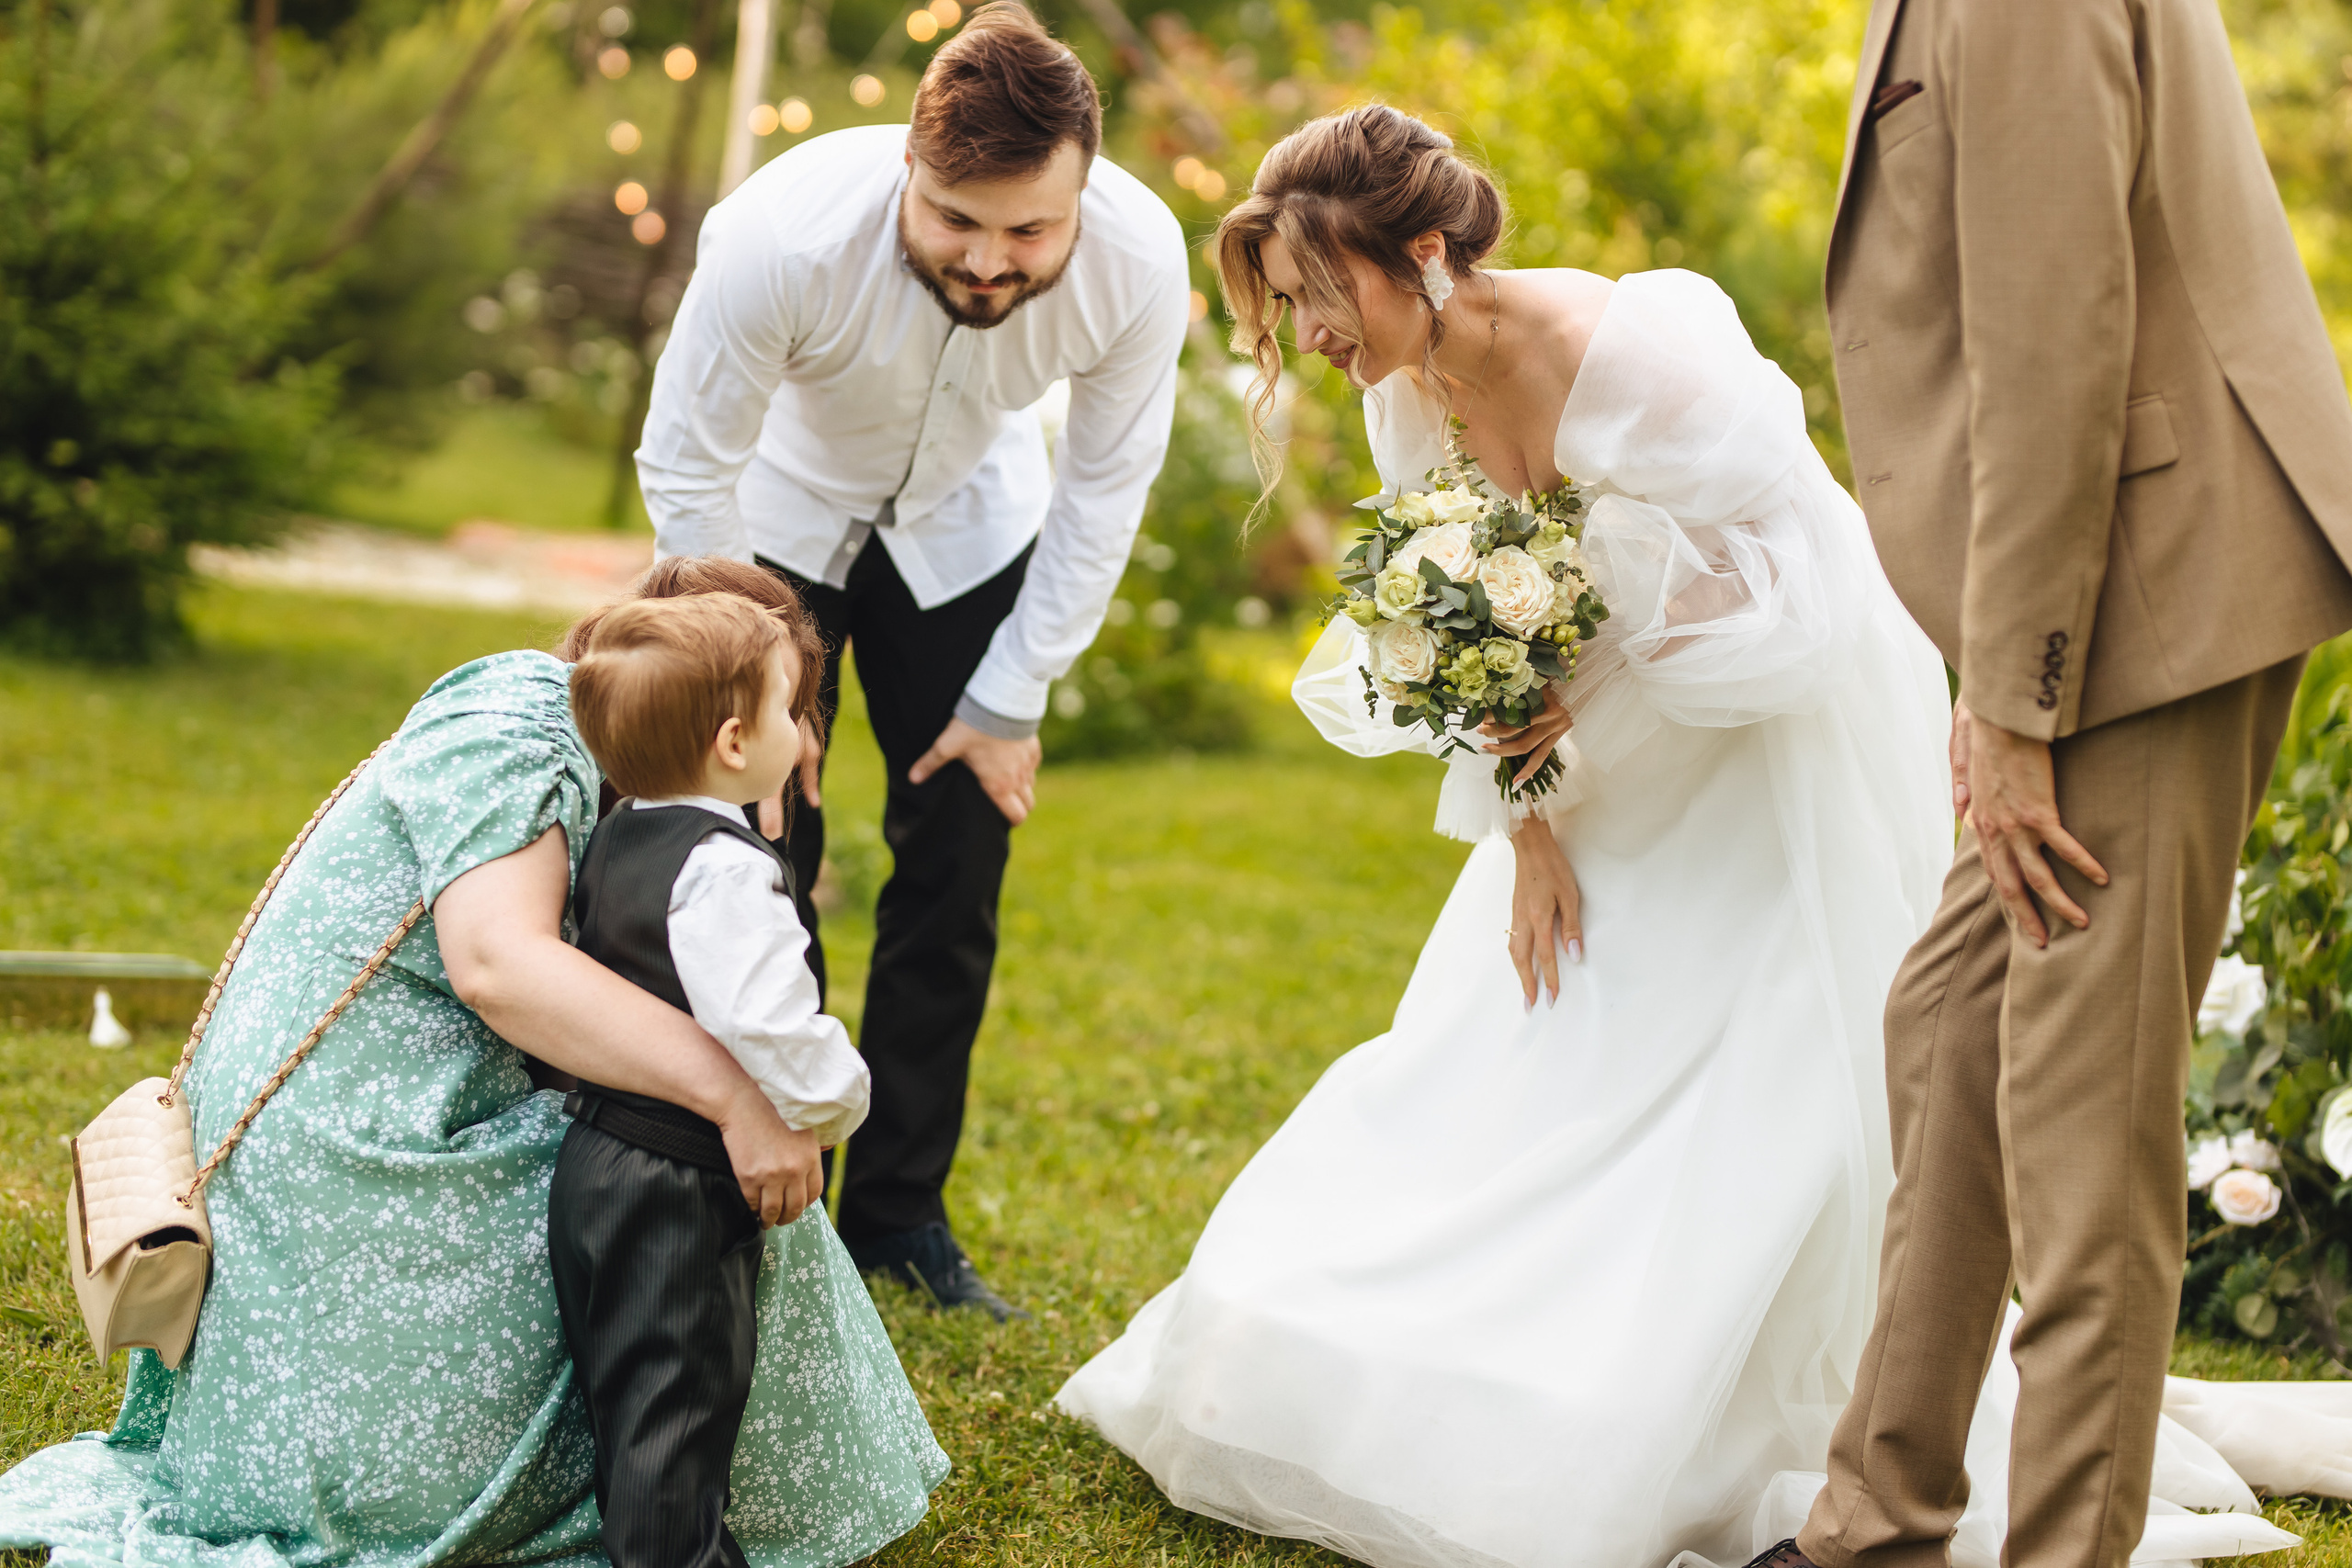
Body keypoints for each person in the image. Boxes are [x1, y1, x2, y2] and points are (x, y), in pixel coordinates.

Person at [1053, 105, 2312, 1568]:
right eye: (1291, 311)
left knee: (1759, 1058)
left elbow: (1803, 596)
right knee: (1530, 1024)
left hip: (1768, 737)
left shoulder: (1638, 350)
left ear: (1424, 250)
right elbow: (1468, 636)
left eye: (1324, 297)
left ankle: (1746, 1388)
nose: (1315, 338)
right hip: (1602, 763)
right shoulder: (1413, 397)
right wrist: (1531, 824)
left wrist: (1589, 595)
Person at [0, 558, 946, 1568]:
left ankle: (677, 1500)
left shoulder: (629, 786)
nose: (801, 744)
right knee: (697, 1160)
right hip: (358, 1137)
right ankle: (671, 1520)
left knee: (677, 1147)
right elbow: (501, 968)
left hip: (398, 1104)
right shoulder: (520, 725)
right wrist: (738, 1100)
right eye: (788, 710)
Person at [1777, 4, 2352, 1568]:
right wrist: (1997, 669)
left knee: (2078, 1121)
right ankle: (1875, 1526)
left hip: (2140, 598)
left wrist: (2018, 689)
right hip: (2094, 593)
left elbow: (2056, 332)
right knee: (1953, 1025)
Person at [636, 0, 1191, 1318]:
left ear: (1083, 192)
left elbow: (1108, 486)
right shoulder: (781, 234)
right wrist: (746, 678)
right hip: (778, 536)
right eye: (956, 219)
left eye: (1028, 230)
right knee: (765, 848)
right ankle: (758, 1195)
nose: (991, 259)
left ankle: (896, 1216)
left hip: (968, 527)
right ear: (908, 167)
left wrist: (1011, 695)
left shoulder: (1138, 260)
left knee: (958, 855)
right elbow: (688, 464)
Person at [555, 591, 876, 1568]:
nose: (800, 729)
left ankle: (673, 1541)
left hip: (597, 1156)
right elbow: (766, 1018)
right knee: (679, 1394)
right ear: (736, 743)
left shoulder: (618, 837)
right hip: (677, 1181)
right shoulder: (728, 872)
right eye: (790, 709)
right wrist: (836, 1099)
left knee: (628, 1382)